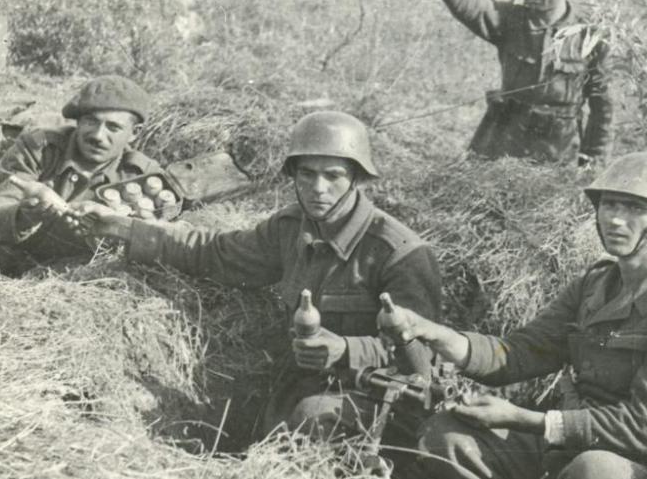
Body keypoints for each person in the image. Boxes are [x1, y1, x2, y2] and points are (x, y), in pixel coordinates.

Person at [392, 152, 647, 479]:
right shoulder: (595, 285)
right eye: (609, 205)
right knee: (445, 437)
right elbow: (519, 353)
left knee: (595, 475)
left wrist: (524, 419)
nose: (616, 219)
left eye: (634, 208)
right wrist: (432, 332)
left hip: (642, 467)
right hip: (568, 448)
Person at [75, 111, 442, 441]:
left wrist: (346, 350)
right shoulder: (291, 227)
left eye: (333, 176)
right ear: (293, 176)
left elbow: (424, 356)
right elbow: (216, 252)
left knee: (309, 417)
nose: (318, 188)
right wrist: (125, 228)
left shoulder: (398, 253)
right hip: (299, 380)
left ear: (356, 179)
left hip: (375, 397)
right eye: (307, 174)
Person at [0, 75, 162, 277]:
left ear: (135, 133)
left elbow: (158, 247)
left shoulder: (142, 177)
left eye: (113, 127)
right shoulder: (38, 148)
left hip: (69, 283)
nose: (97, 135)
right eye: (91, 121)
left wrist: (123, 227)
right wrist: (25, 214)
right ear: (78, 121)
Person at [421, 0, 614, 165]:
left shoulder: (591, 36)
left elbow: (603, 108)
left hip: (558, 151)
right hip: (502, 143)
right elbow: (477, 6)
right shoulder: (510, 20)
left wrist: (594, 162)